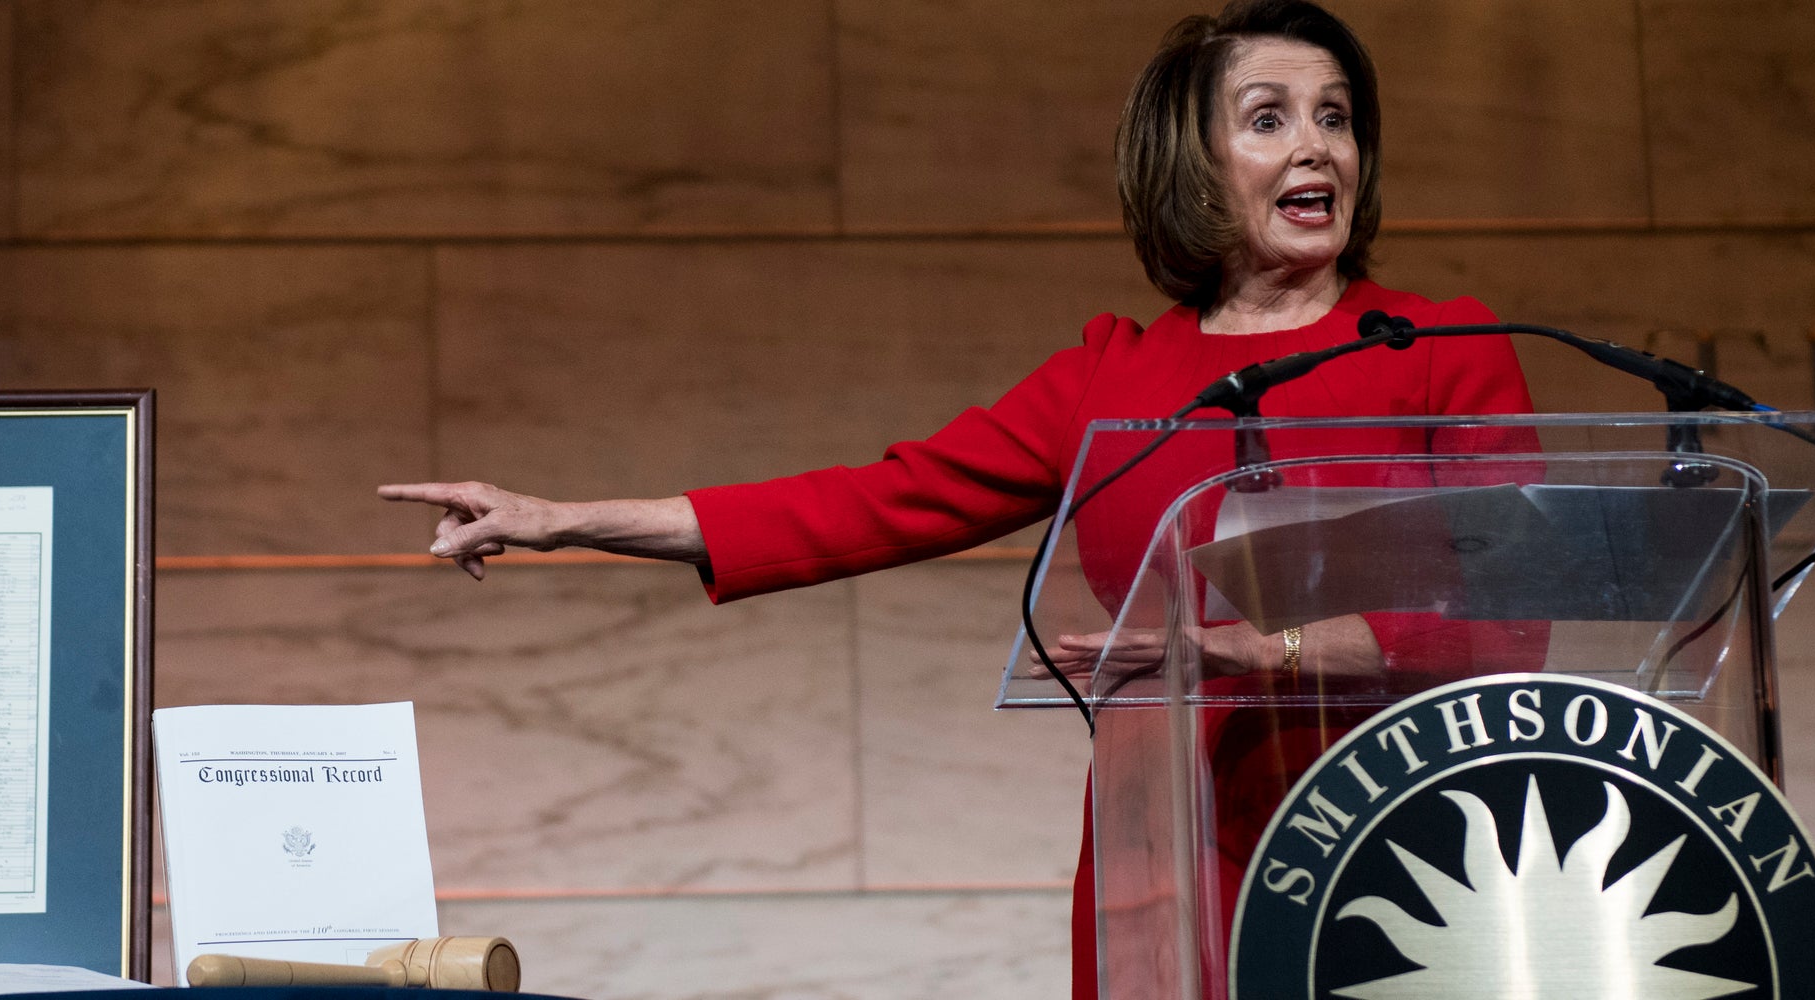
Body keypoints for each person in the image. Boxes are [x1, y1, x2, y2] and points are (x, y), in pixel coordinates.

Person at [381, 2, 1537, 996]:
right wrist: (566, 518)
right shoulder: (1114, 377)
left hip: (1412, 821)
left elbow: (1510, 613)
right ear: (1191, 165)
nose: (1316, 149)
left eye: (1336, 117)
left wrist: (1259, 650)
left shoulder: (1446, 347)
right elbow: (873, 503)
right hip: (1173, 841)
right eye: (1270, 118)